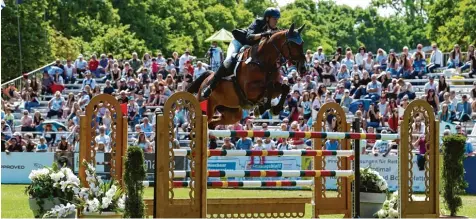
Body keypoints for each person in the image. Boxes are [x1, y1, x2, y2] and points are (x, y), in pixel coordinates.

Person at [202, 7, 281, 98]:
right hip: (239, 43)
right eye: (274, 19)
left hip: (249, 48)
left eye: (277, 19)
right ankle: (211, 87)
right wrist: (263, 34)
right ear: (267, 18)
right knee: (228, 60)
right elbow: (249, 37)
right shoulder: (258, 22)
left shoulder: (275, 30)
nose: (276, 21)